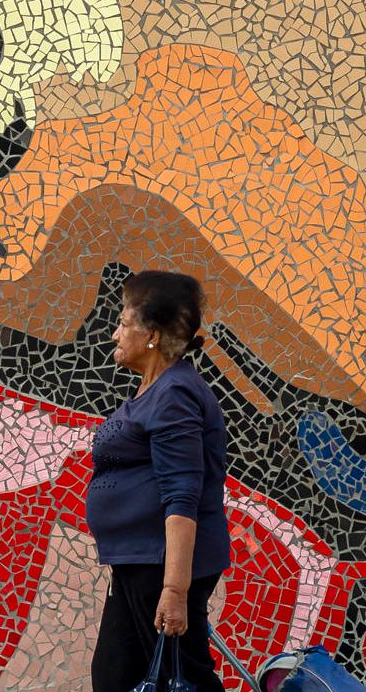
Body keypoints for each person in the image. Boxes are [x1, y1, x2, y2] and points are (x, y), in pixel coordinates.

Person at [87, 271, 231, 692]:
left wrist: (174, 589)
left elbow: (182, 495)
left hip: (160, 565)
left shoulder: (175, 394)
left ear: (151, 335)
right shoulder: (157, 389)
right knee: (115, 679)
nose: (114, 334)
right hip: (137, 562)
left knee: (183, 679)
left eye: (122, 323)